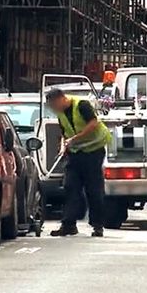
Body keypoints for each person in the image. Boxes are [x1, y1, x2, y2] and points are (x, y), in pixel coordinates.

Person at [45, 88, 111, 237]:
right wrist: (63, 146)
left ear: (61, 99)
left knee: (93, 189)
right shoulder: (60, 113)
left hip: (94, 151)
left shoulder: (81, 105)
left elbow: (93, 123)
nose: (54, 109)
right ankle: (69, 224)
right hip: (75, 153)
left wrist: (75, 139)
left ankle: (97, 225)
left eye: (54, 105)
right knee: (70, 186)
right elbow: (64, 132)